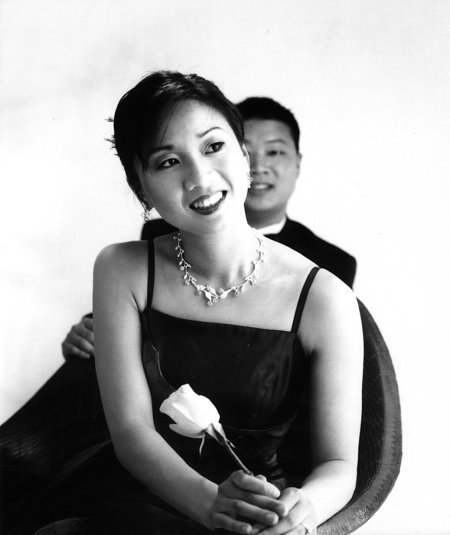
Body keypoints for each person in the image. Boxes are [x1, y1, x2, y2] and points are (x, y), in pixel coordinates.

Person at [34, 70, 363, 535]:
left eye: (213, 146)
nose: (199, 176)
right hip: (135, 500)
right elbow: (131, 432)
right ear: (141, 188)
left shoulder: (326, 298)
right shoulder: (121, 269)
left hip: (256, 513)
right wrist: (209, 505)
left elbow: (339, 464)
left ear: (242, 154)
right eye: (168, 161)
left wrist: (302, 510)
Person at [62, 97, 356, 361]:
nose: (259, 166)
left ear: (297, 163)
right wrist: (86, 335)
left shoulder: (332, 266)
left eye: (275, 152)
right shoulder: (156, 237)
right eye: (170, 162)